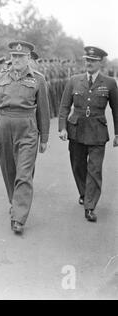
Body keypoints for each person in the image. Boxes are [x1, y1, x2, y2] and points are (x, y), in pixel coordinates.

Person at [0, 40, 50, 235]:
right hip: (3, 127)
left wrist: (44, 138)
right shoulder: (0, 78)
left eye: (20, 56)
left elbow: (44, 111)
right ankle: (15, 202)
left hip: (27, 128)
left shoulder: (38, 79)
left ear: (28, 58)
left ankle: (18, 217)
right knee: (9, 170)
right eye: (14, 56)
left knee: (24, 173)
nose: (16, 59)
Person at [58, 46, 118, 223]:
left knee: (95, 168)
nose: (89, 63)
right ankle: (84, 193)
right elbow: (64, 106)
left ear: (101, 62)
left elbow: (116, 110)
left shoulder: (109, 83)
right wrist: (62, 127)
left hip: (98, 131)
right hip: (76, 130)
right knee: (78, 166)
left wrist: (117, 133)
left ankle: (90, 206)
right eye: (87, 60)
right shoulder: (74, 80)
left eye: (92, 60)